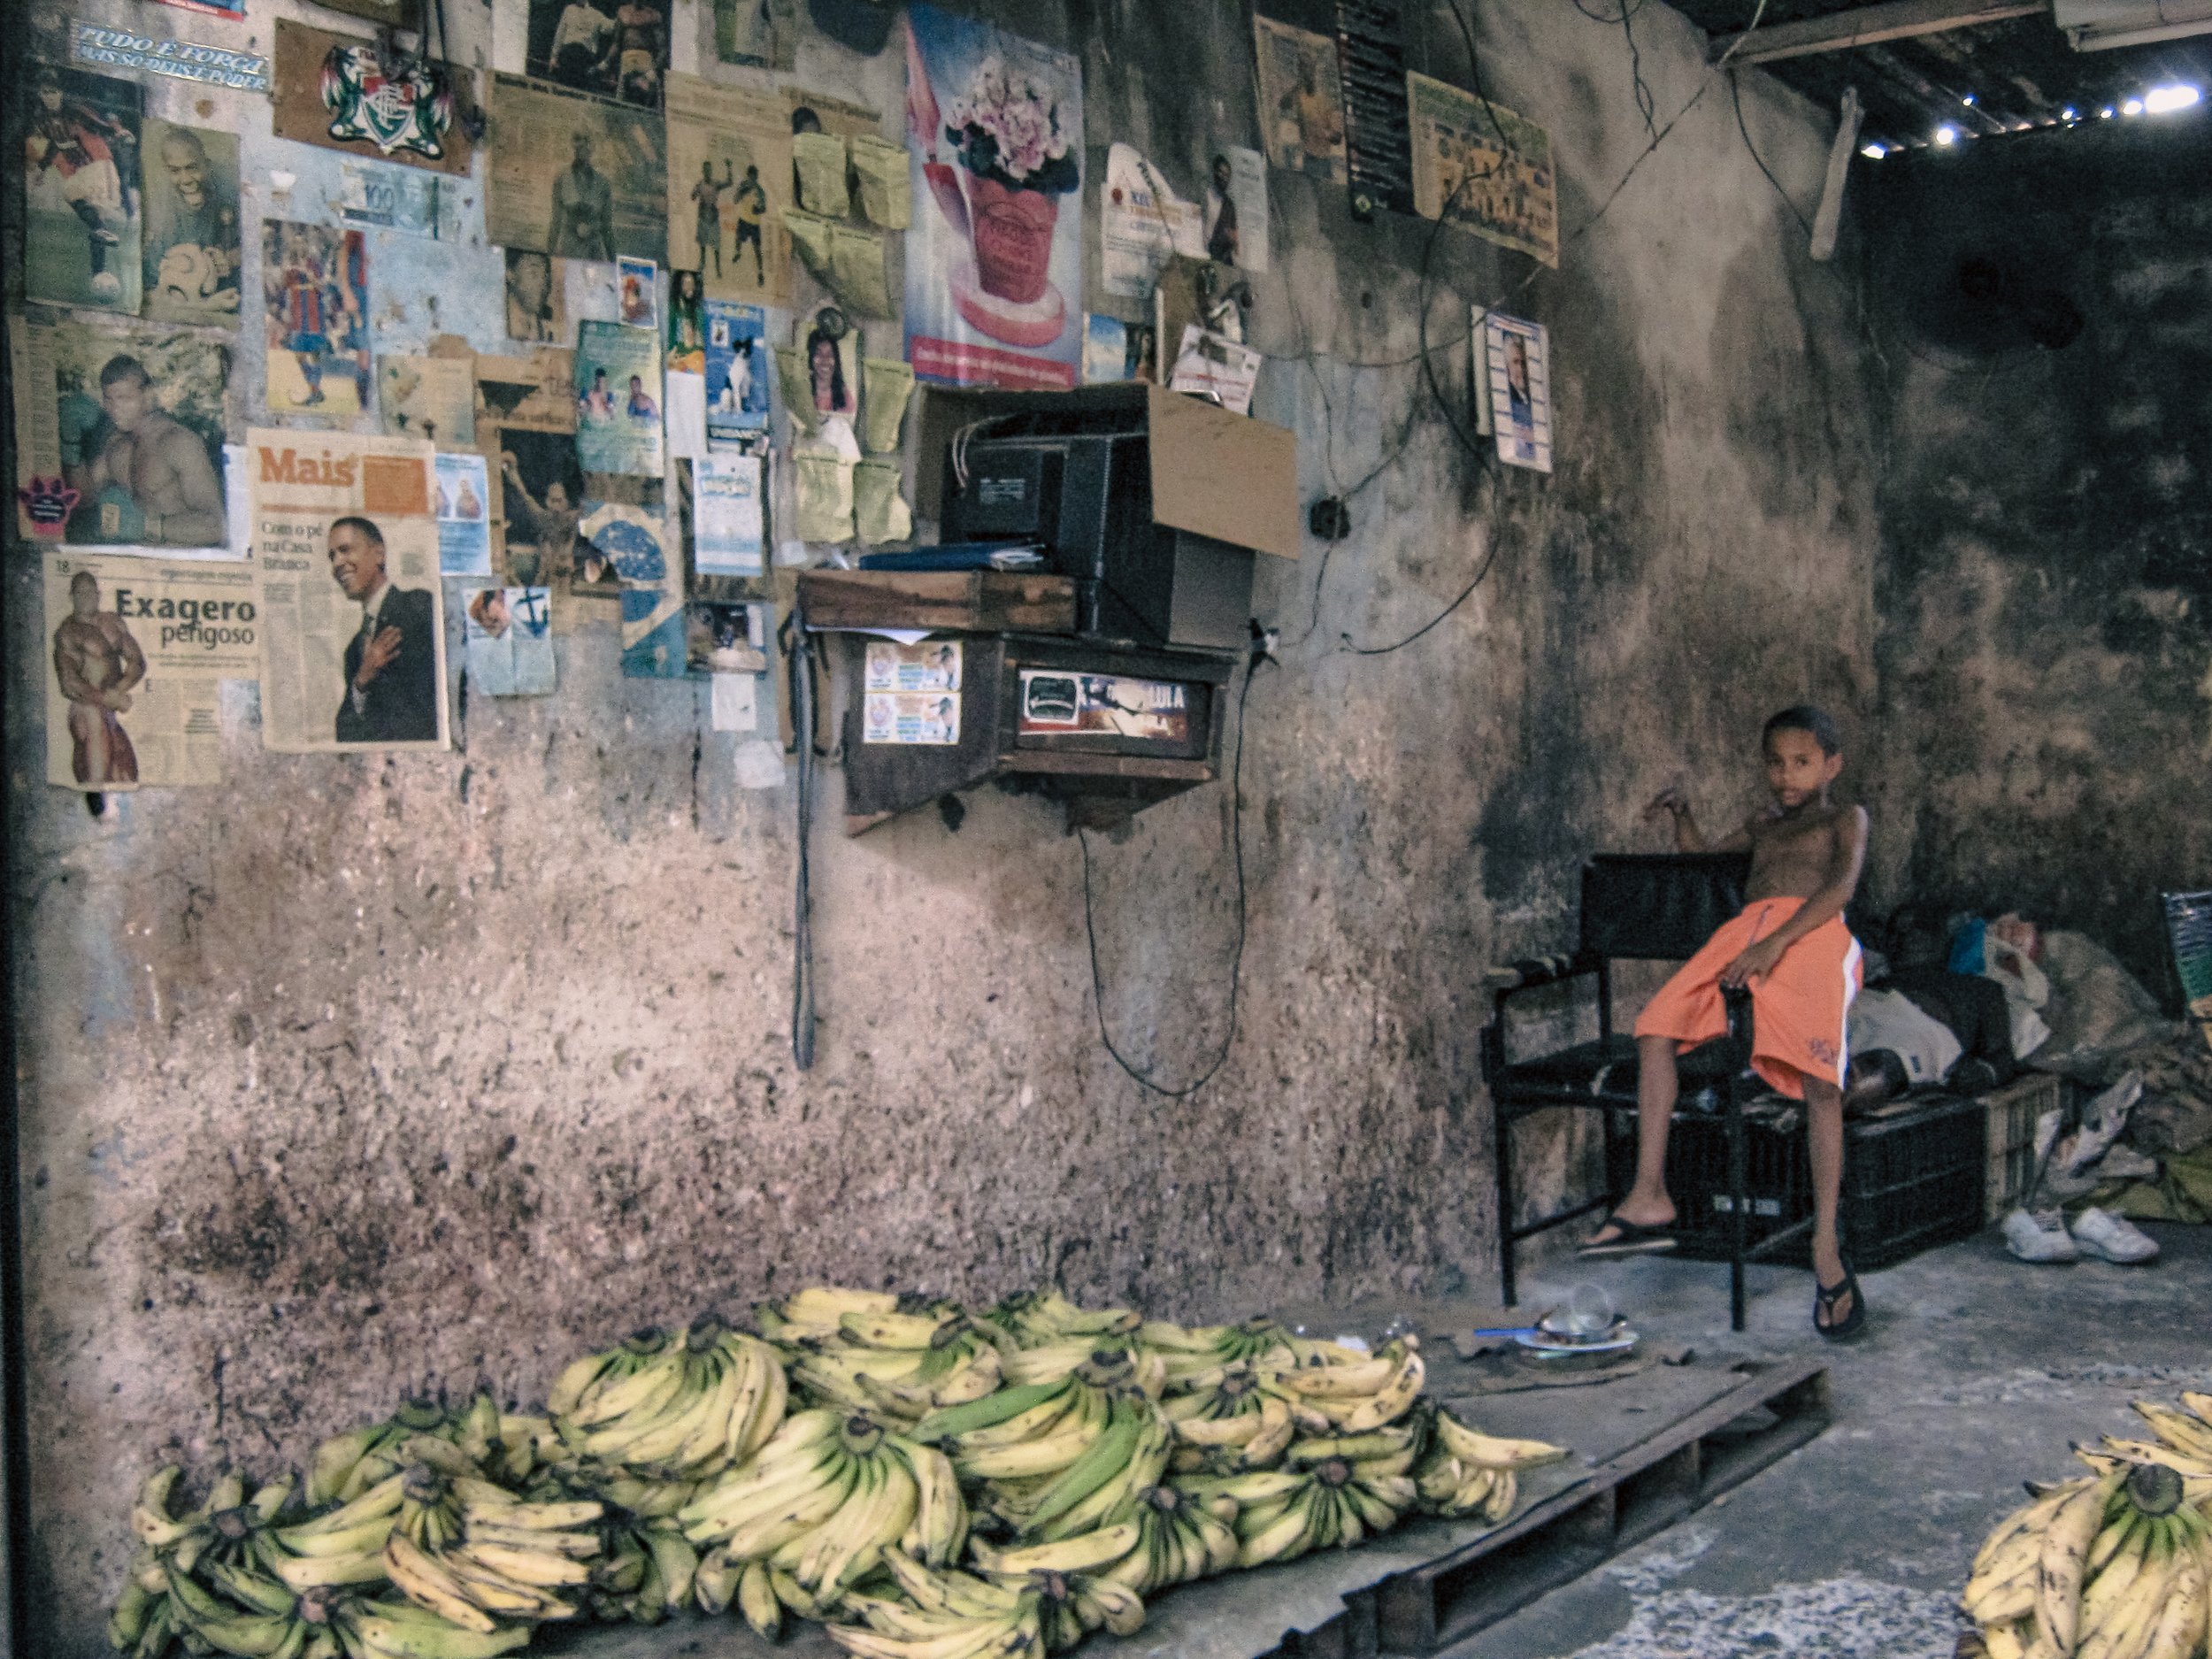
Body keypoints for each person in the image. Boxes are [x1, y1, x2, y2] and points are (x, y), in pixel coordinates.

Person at [1581, 706, 1871, 1340]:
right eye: (1775, 762)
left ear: (1831, 764)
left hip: (1814, 932)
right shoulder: (1763, 824)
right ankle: (1651, 1192)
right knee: (1655, 1026)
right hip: (1749, 932)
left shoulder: (1845, 817)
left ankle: (1825, 1244)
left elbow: (1841, 889)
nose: (1786, 775)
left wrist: (1776, 945)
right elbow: (1703, 862)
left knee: (1823, 1081)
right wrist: (1684, 815)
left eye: (1801, 761)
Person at [78, 357, 224, 547]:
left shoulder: (178, 442)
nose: (115, 409)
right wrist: (70, 448)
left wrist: (148, 527)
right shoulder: (115, 445)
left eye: (125, 399)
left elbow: (216, 527)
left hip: (177, 565)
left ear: (147, 395)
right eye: (109, 399)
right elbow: (81, 499)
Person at [26, 65, 136, 298]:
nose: (50, 97)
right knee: (73, 194)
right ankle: (99, 256)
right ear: (40, 94)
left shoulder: (75, 112)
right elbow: (55, 145)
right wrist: (43, 169)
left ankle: (99, 268)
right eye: (45, 92)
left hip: (99, 166)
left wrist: (119, 132)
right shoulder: (43, 120)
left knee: (96, 214)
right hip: (80, 173)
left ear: (60, 93)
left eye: (53, 92)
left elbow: (98, 123)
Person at [326, 517, 439, 743]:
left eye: (345, 550)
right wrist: (362, 680)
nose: (337, 563)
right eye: (332, 556)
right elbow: (344, 734)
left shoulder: (420, 606)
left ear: (379, 554)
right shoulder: (353, 652)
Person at [51, 570, 144, 786]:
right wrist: (106, 698)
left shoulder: (113, 623)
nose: (87, 597)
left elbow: (137, 661)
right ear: (71, 597)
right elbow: (69, 683)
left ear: (98, 594)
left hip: (110, 709)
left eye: (91, 592)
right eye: (81, 593)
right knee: (98, 774)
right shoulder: (67, 633)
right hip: (86, 707)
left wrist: (119, 690)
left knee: (126, 775)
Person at [144, 127, 237, 312]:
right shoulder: (160, 214)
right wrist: (205, 306)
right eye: (175, 171)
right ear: (166, 171)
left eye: (192, 168)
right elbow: (149, 293)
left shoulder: (225, 192)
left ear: (207, 165)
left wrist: (227, 259)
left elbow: (250, 246)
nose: (185, 179)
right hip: (186, 299)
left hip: (217, 288)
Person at [499, 452, 581, 584]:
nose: (556, 506)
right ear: (547, 502)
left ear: (566, 502)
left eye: (559, 501)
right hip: (544, 577)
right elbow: (524, 494)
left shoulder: (573, 519)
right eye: (552, 501)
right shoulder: (543, 518)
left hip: (565, 578)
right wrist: (510, 469)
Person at [550, 131, 617, 261]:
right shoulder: (562, 179)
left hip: (593, 252)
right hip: (569, 250)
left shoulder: (603, 184)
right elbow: (555, 222)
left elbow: (607, 227)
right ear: (574, 147)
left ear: (593, 148)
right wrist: (549, 256)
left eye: (588, 143)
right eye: (579, 144)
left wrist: (613, 261)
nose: (584, 148)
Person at [548, 0, 615, 89]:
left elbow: (610, 28)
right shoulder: (569, 10)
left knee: (578, 85)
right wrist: (554, 56)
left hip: (585, 55)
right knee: (564, 84)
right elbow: (560, 33)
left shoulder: (596, 15)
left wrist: (621, 18)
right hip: (568, 53)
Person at [505, 250, 558, 342]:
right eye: (533, 273)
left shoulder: (549, 330)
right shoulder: (493, 323)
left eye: (545, 276)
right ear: (510, 274)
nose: (542, 283)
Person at [691, 159, 732, 277]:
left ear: (711, 171)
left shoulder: (715, 184)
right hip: (703, 217)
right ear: (703, 171)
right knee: (703, 245)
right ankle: (702, 265)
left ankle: (718, 269)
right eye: (706, 169)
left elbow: (729, 182)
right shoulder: (700, 184)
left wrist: (729, 168)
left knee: (716, 246)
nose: (708, 171)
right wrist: (695, 193)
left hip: (713, 217)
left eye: (709, 169)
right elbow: (693, 196)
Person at [732, 163, 768, 285]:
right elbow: (735, 200)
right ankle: (737, 252)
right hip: (743, 220)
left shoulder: (760, 191)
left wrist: (758, 210)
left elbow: (764, 208)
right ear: (748, 176)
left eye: (755, 177)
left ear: (756, 177)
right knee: (738, 238)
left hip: (754, 224)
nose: (753, 179)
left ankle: (760, 273)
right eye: (751, 176)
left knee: (757, 250)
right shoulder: (743, 185)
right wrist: (742, 192)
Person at [1205, 153, 1239, 265]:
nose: (1224, 178)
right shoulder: (1204, 195)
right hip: (1199, 251)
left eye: (1227, 175)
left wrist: (1231, 239)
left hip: (1217, 259)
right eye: (1221, 173)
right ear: (1214, 172)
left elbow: (1234, 235)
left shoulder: (1229, 205)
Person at [806, 325, 847, 416]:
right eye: (818, 353)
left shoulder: (845, 397)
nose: (825, 360)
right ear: (810, 358)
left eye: (830, 354)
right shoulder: (803, 392)